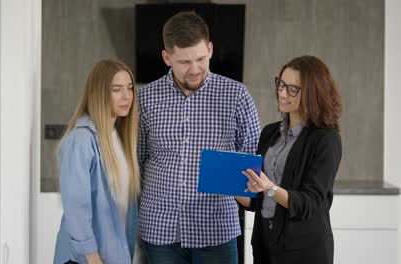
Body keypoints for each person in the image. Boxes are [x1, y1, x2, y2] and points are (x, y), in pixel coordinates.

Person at [137, 11, 261, 264]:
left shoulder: (236, 96)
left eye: (201, 59)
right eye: (184, 62)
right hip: (160, 230)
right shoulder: (145, 99)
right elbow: (136, 162)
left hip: (216, 229)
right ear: (167, 57)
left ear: (211, 49)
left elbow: (253, 164)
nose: (195, 69)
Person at [236, 55, 343, 264]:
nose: (283, 93)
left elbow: (310, 203)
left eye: (293, 89)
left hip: (303, 251)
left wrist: (270, 187)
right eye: (281, 84)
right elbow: (256, 202)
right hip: (265, 245)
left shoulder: (326, 139)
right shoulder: (269, 132)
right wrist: (229, 185)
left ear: (313, 92)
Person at [53, 59, 140, 264]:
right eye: (117, 89)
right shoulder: (81, 140)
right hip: (87, 259)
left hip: (112, 255)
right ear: (99, 93)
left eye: (129, 88)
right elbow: (76, 205)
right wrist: (91, 255)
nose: (127, 96)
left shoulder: (119, 137)